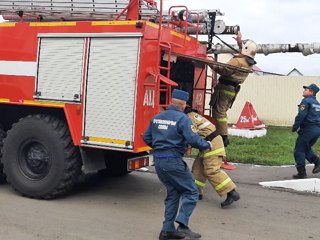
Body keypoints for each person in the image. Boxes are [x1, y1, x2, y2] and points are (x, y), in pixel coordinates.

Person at [143, 89, 211, 240]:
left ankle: (167, 230)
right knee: (192, 191)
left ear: (171, 102)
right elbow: (193, 139)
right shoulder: (183, 119)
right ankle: (183, 224)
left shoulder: (157, 118)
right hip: (173, 161)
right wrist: (207, 144)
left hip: (159, 162)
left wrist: (159, 147)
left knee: (173, 193)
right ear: (183, 105)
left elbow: (146, 137)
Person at [185, 107, 240, 208]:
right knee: (197, 169)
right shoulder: (193, 115)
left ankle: (231, 192)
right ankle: (196, 193)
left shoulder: (188, 119)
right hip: (207, 144)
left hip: (212, 145)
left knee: (211, 170)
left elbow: (191, 137)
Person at [210, 39, 257, 147]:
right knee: (222, 113)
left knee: (219, 113)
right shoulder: (248, 62)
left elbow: (223, 70)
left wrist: (210, 63)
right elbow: (245, 50)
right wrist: (239, 40)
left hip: (224, 89)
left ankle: (223, 137)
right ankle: (222, 135)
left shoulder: (237, 61)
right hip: (232, 91)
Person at [292, 83, 320, 178]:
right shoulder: (317, 103)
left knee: (298, 150)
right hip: (317, 130)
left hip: (308, 130)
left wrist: (295, 127)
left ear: (311, 92)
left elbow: (301, 115)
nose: (304, 90)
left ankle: (301, 173)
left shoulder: (306, 101)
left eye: (306, 89)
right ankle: (317, 162)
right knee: (306, 148)